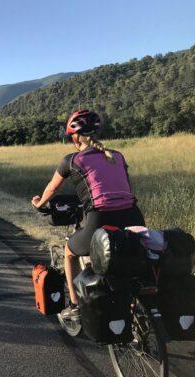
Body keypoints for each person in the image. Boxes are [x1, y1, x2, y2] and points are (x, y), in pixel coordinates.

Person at [30, 109, 145, 320]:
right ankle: (133, 307)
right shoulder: (118, 156)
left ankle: (75, 306)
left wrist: (39, 204)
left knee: (70, 251)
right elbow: (124, 187)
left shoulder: (71, 161)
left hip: (100, 218)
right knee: (125, 255)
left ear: (74, 137)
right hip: (134, 216)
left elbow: (52, 189)